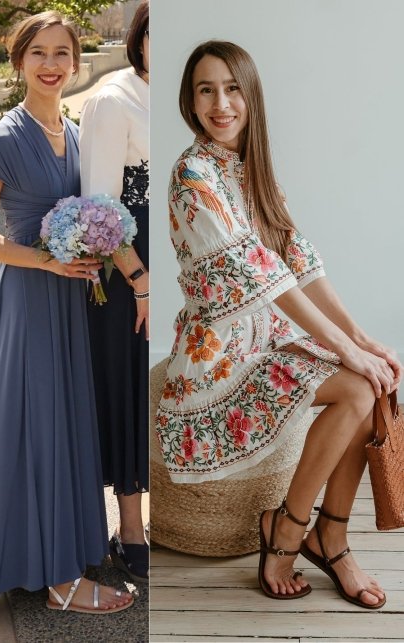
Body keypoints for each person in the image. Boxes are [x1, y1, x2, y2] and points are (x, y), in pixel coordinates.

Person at [156, 40, 402, 608]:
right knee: (359, 385)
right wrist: (347, 350)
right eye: (206, 90)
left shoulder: (251, 170)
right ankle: (291, 531)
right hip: (219, 350)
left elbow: (299, 262)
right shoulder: (193, 174)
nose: (221, 104)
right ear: (190, 101)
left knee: (371, 379)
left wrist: (363, 341)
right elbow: (264, 279)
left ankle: (327, 536)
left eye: (232, 89)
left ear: (251, 95)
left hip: (268, 336)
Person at [0, 11, 134, 615]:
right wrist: (48, 260)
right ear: (19, 61)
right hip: (31, 300)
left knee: (66, 422)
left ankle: (55, 555)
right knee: (37, 423)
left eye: (63, 53)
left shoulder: (78, 133)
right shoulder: (2, 140)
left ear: (77, 63)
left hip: (73, 298)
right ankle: (60, 580)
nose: (51, 64)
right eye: (39, 52)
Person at [78, 0, 150, 583]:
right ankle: (130, 531)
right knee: (128, 390)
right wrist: (140, 280)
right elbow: (98, 206)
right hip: (130, 273)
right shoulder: (112, 99)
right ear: (140, 36)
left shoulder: (188, 100)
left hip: (185, 265)